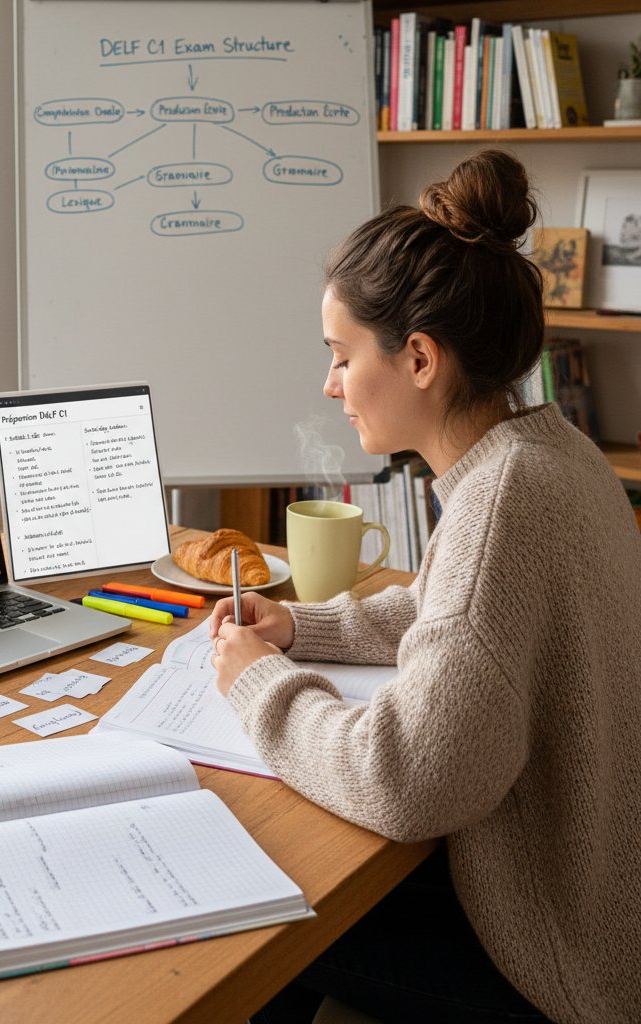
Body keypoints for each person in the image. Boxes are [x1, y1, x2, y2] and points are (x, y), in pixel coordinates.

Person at [208, 150, 641, 1024]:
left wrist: (258, 683)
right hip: (604, 903)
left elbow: (405, 781)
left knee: (249, 909)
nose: (330, 385)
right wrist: (304, 631)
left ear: (417, 359)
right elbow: (465, 614)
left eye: (340, 355)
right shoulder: (546, 451)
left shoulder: (497, 507)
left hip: (557, 960)